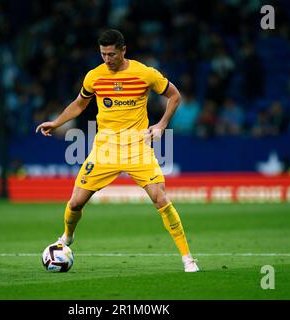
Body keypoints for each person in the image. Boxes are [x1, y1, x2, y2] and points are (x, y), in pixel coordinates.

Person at [35, 29, 199, 272]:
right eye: (103, 54)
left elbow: (174, 96)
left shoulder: (144, 73)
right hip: (105, 150)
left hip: (137, 147)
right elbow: (80, 104)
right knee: (75, 203)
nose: (107, 59)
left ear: (123, 50)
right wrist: (57, 122)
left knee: (160, 198)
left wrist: (162, 124)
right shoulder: (94, 76)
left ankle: (188, 259)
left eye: (112, 54)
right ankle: (67, 237)